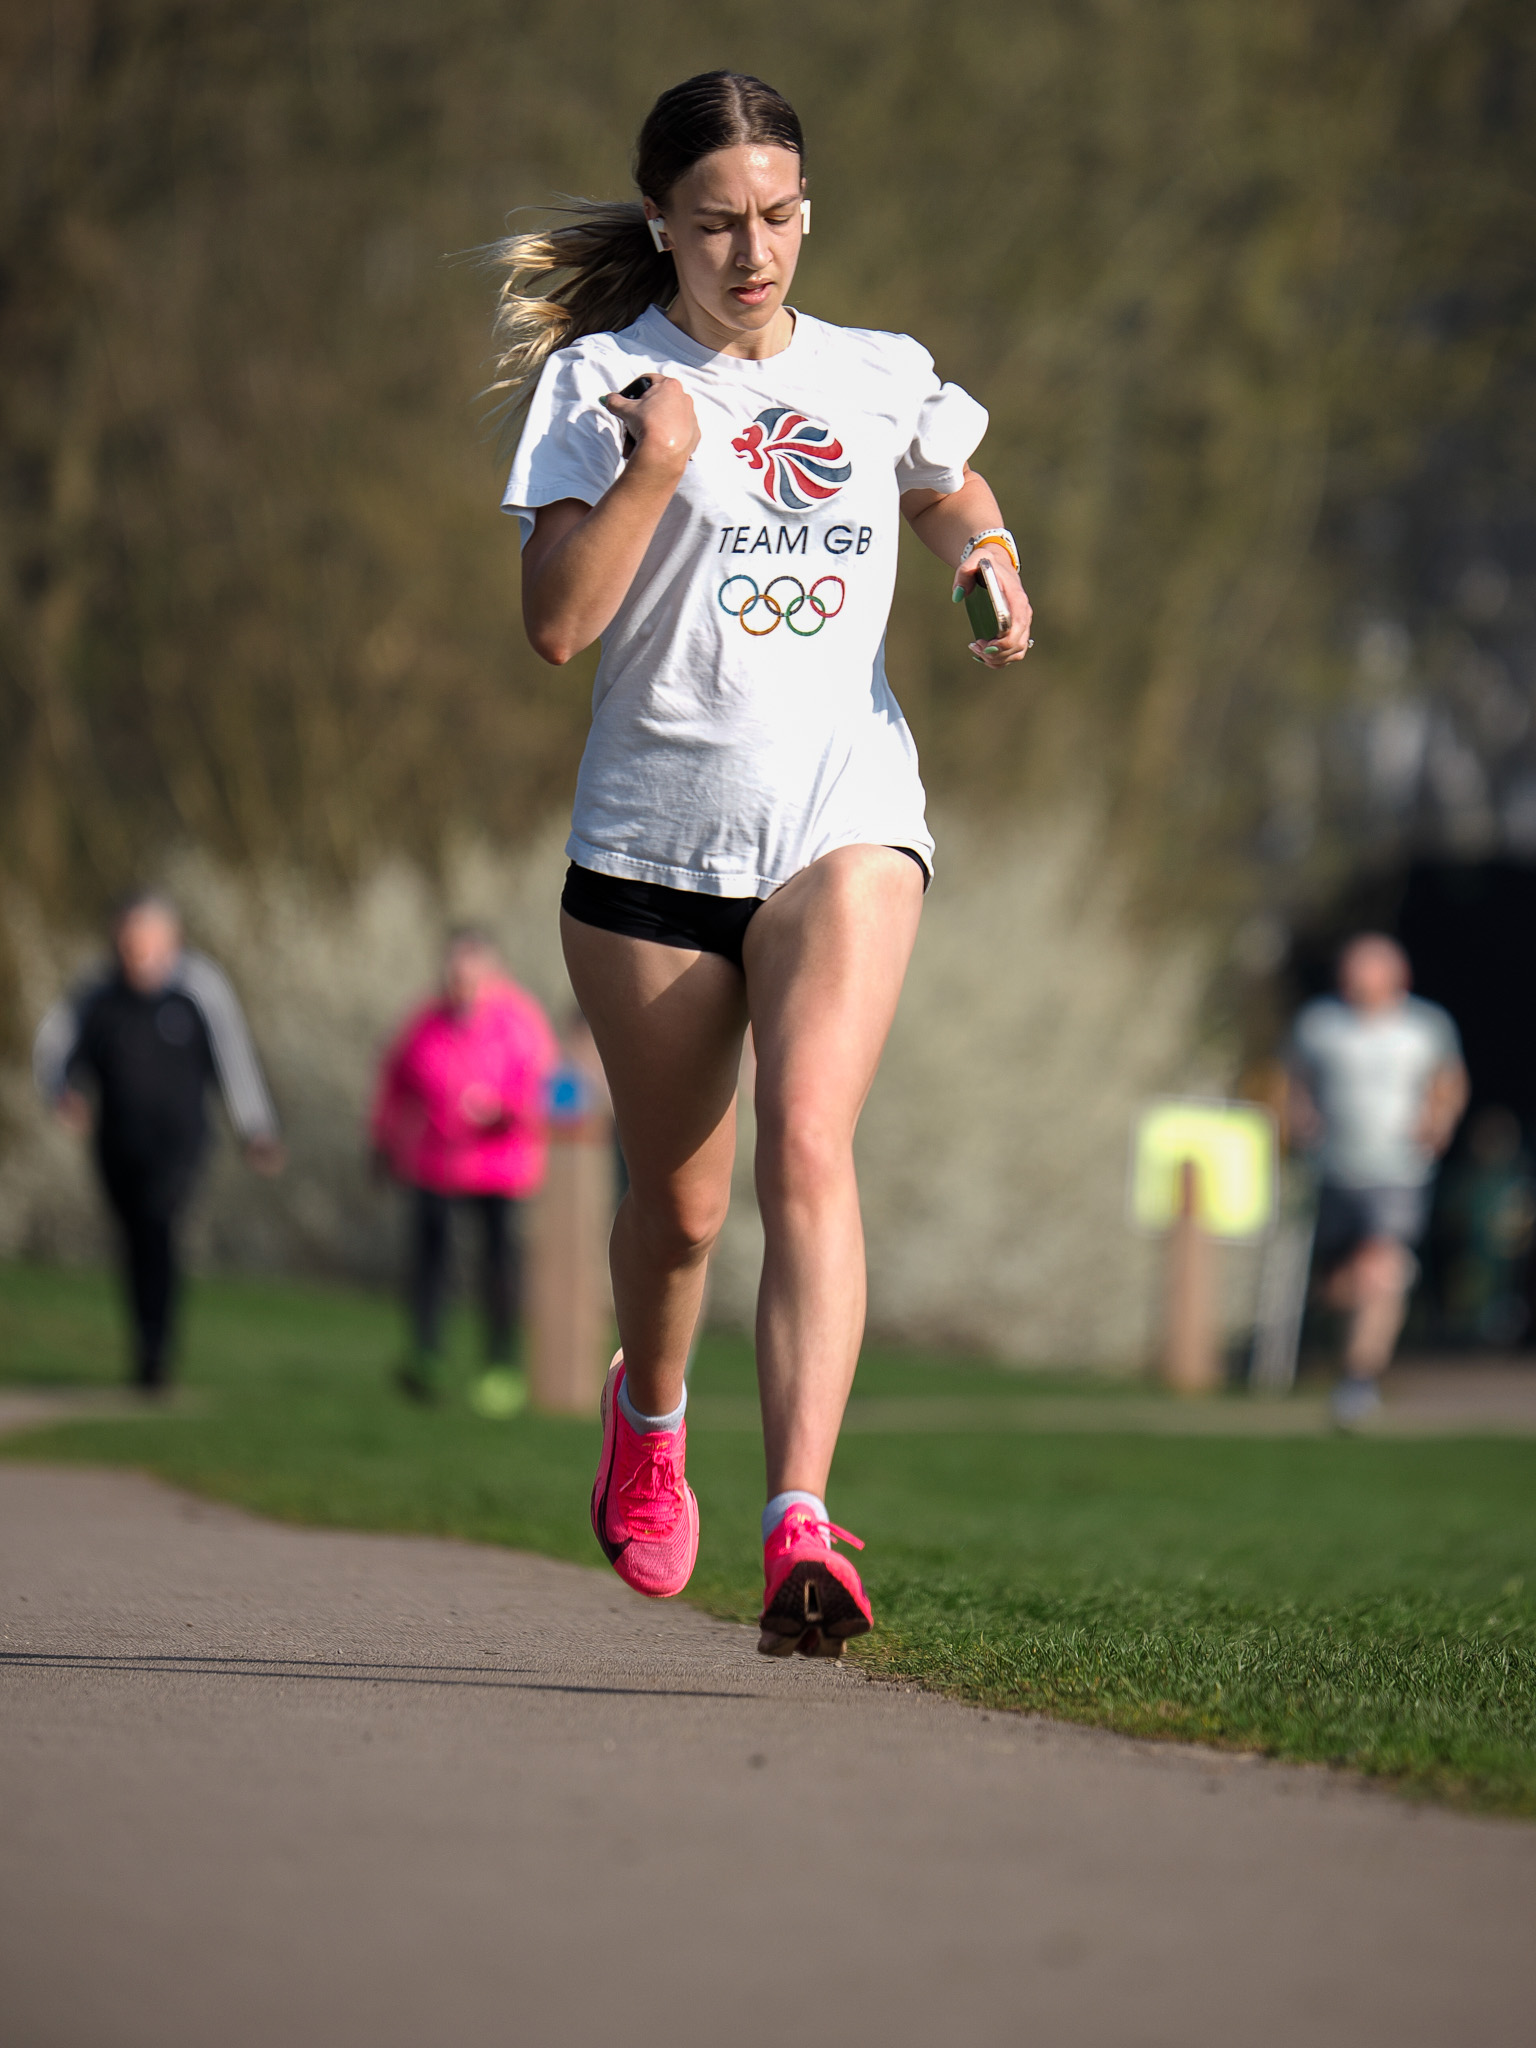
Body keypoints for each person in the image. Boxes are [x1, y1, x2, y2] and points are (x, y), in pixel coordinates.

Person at [491, 71, 1033, 1654]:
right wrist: (659, 461)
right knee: (681, 1208)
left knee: (810, 1141)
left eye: (782, 218)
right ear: (663, 219)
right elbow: (554, 625)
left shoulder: (878, 373)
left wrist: (986, 563)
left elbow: (943, 482)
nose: (755, 252)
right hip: (653, 846)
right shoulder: (603, 381)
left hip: (840, 815)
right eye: (720, 223)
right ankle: (649, 1421)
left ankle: (805, 1515)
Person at [32, 890, 283, 1390]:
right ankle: (145, 1344)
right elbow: (58, 1049)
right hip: (117, 1142)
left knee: (159, 1224)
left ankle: (158, 1350)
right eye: (128, 945)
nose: (137, 956)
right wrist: (63, 1095)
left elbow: (234, 1059)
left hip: (181, 1141)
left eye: (146, 944)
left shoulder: (200, 991)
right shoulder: (97, 994)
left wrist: (256, 1129)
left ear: (172, 941)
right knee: (136, 1240)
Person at [370, 927, 558, 1408]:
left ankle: (500, 1367)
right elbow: (394, 1082)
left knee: (499, 1269)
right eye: (453, 971)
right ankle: (425, 1356)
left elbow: (544, 1088)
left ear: (492, 972)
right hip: (436, 1163)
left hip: (500, 1167)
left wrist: (504, 1111)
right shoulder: (425, 1022)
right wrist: (383, 1139)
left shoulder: (520, 1022)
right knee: (429, 1264)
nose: (460, 981)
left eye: (470, 971)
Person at [1289, 933, 1468, 1422]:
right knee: (1338, 1285)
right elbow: (1294, 1081)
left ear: (1396, 976)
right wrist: (1298, 1120)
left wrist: (1438, 1121)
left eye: (1367, 970)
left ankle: (1358, 1381)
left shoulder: (1425, 1027)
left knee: (1381, 1268)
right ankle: (1350, 1356)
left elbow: (1449, 1082)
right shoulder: (1318, 1025)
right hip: (1333, 1168)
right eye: (1351, 970)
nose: (1356, 980)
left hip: (1399, 1170)